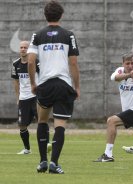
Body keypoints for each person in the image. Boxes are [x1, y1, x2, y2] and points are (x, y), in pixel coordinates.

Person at [27, 0, 80, 174]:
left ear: (45, 15)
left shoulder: (37, 35)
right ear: (61, 15)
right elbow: (73, 63)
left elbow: (30, 61)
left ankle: (42, 161)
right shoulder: (68, 35)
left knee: (42, 121)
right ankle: (54, 164)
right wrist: (77, 86)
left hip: (45, 85)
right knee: (60, 124)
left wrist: (34, 83)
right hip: (63, 84)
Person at [11, 41, 39, 155]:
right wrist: (18, 98)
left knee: (41, 121)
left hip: (36, 96)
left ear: (29, 50)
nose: (23, 49)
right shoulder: (15, 64)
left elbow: (43, 77)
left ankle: (46, 145)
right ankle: (27, 149)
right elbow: (16, 82)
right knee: (22, 125)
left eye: (25, 47)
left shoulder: (36, 62)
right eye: (21, 47)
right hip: (23, 98)